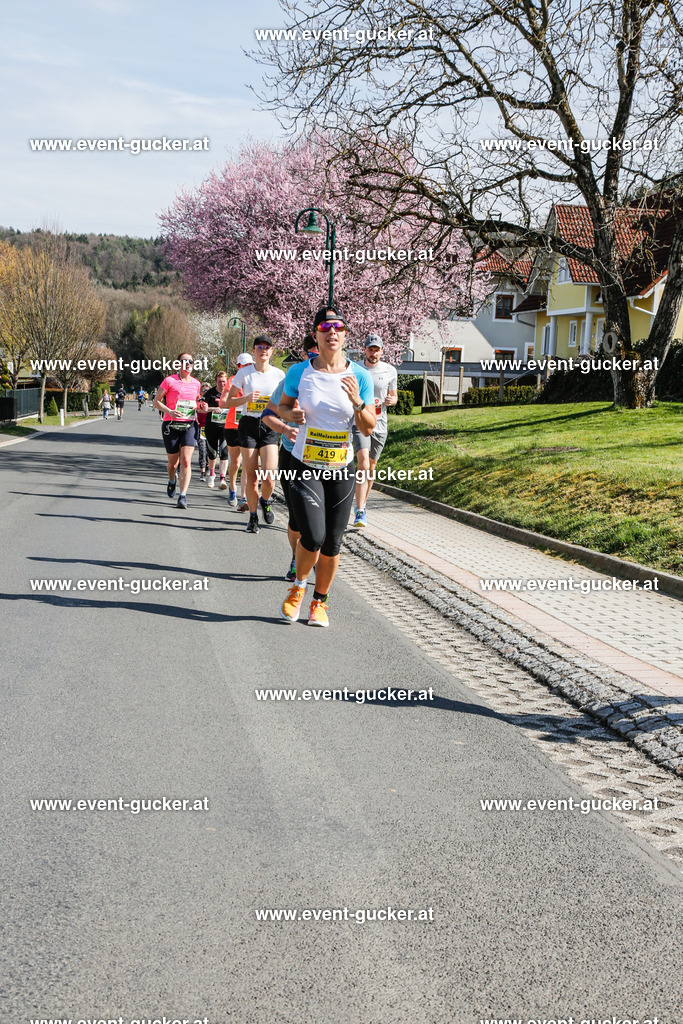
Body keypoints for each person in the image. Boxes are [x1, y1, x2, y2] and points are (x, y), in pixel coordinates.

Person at [277, 307, 375, 626]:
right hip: (305, 463)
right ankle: (298, 588)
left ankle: (320, 603)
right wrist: (289, 416)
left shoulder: (359, 376)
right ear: (317, 335)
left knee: (333, 542)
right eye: (325, 327)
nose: (332, 332)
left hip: (341, 468)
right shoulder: (298, 372)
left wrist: (358, 401)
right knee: (314, 535)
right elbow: (282, 407)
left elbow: (368, 428)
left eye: (338, 327)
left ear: (345, 335)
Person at [261, 335, 319, 581]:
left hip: (328, 458)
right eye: (312, 354)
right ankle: (297, 559)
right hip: (292, 454)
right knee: (297, 516)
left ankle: (313, 558)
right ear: (305, 355)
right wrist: (285, 429)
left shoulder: (343, 378)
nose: (318, 358)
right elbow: (267, 414)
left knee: (321, 519)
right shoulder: (293, 378)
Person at [221, 336, 284, 534]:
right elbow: (228, 401)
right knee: (252, 476)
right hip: (248, 424)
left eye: (267, 347)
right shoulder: (244, 373)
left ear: (271, 351)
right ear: (254, 351)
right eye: (259, 347)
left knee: (269, 478)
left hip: (269, 424)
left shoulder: (279, 375)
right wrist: (246, 398)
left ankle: (265, 501)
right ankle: (253, 516)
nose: (263, 351)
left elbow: (286, 400)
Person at [352, 333, 398, 527]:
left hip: (380, 423)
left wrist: (391, 400)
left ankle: (362, 503)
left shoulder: (390, 371)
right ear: (365, 350)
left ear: (382, 351)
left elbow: (394, 396)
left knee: (371, 467)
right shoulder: (355, 369)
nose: (373, 353)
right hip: (360, 422)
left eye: (376, 349)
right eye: (370, 349)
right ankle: (360, 511)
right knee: (362, 465)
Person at [153, 352, 205, 510]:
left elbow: (197, 403)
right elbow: (156, 402)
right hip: (171, 425)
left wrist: (202, 407)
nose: (187, 364)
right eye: (184, 361)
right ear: (178, 364)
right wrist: (170, 411)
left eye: (190, 361)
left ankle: (182, 496)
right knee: (173, 464)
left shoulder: (196, 383)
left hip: (190, 424)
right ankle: (171, 480)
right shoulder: (169, 380)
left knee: (186, 461)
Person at [222, 353, 252, 506]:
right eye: (244, 365)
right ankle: (233, 488)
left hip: (249, 425)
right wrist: (241, 400)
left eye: (249, 365)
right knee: (235, 462)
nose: (247, 368)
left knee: (247, 462)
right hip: (233, 425)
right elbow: (223, 403)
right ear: (238, 366)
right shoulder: (232, 380)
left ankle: (244, 497)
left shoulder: (256, 379)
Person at [202, 371, 231, 489]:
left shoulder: (230, 392)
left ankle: (222, 479)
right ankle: (212, 474)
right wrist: (214, 408)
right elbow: (201, 408)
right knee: (212, 453)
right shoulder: (210, 393)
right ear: (216, 382)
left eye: (224, 381)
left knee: (224, 453)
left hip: (225, 427)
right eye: (220, 381)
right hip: (211, 427)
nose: (222, 384)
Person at [196, 382, 210, 482]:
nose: (205, 392)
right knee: (202, 449)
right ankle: (203, 472)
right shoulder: (198, 400)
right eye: (203, 390)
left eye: (207, 390)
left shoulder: (212, 399)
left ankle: (209, 466)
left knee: (210, 451)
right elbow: (195, 409)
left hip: (211, 427)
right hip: (201, 428)